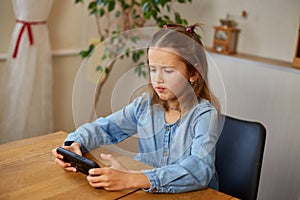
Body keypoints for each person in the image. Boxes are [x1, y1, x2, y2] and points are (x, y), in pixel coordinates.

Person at [52, 23, 221, 193]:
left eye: (168, 71)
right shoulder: (145, 105)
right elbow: (106, 128)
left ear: (193, 73)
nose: (158, 79)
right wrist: (75, 143)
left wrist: (132, 178)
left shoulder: (204, 115)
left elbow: (199, 170)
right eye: (153, 69)